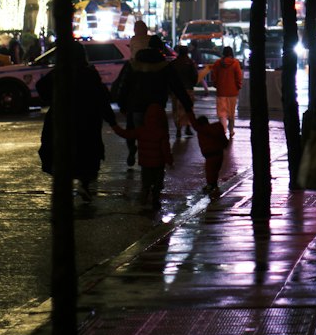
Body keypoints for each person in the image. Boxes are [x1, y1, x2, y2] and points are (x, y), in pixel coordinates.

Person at [36, 42, 125, 200]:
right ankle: (84, 184)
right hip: (86, 120)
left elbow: (41, 87)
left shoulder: (60, 72)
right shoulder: (89, 73)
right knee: (86, 153)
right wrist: (112, 122)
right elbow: (102, 99)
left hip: (62, 119)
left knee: (62, 152)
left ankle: (64, 184)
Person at [114, 37, 197, 165]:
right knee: (156, 136)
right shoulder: (164, 66)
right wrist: (187, 105)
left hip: (136, 105)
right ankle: (153, 165)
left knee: (134, 131)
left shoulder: (132, 64)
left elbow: (122, 85)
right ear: (160, 49)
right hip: (156, 108)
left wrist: (122, 104)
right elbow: (177, 87)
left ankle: (133, 151)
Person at [123, 101, 174, 208]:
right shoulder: (162, 132)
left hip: (145, 164)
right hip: (158, 164)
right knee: (157, 183)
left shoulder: (141, 130)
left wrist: (115, 127)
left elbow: (126, 134)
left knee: (146, 182)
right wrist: (169, 161)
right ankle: (155, 200)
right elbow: (166, 149)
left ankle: (144, 198)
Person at [209, 46, 244, 138]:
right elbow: (239, 77)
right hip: (232, 92)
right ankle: (231, 131)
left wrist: (216, 85)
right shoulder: (235, 63)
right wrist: (238, 86)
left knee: (222, 113)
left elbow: (213, 76)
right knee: (231, 113)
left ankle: (223, 130)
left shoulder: (217, 63)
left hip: (221, 91)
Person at [195, 113, 230, 199]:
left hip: (210, 155)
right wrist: (225, 145)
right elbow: (224, 140)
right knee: (215, 171)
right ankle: (214, 186)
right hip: (219, 153)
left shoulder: (202, 131)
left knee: (210, 172)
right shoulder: (216, 128)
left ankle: (211, 188)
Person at [172, 45, 198, 140]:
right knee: (188, 108)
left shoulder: (174, 63)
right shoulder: (190, 63)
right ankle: (187, 127)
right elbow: (195, 76)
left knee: (177, 110)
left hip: (176, 90)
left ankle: (178, 129)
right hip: (188, 88)